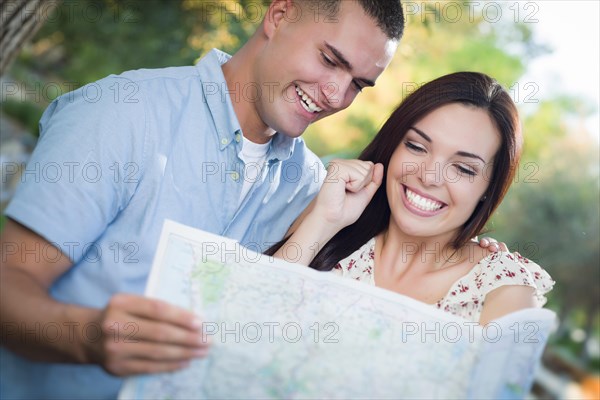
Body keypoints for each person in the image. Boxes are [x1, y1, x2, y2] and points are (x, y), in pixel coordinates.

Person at [0, 1, 406, 398]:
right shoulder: (122, 112)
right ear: (279, 17)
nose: (336, 95)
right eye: (330, 59)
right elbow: (10, 286)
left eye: (357, 84)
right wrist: (89, 338)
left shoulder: (312, 192)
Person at [271, 72, 554, 324]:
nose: (429, 176)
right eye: (417, 147)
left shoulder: (504, 287)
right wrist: (324, 221)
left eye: (464, 168)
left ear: (488, 191)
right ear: (393, 145)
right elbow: (253, 313)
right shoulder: (332, 220)